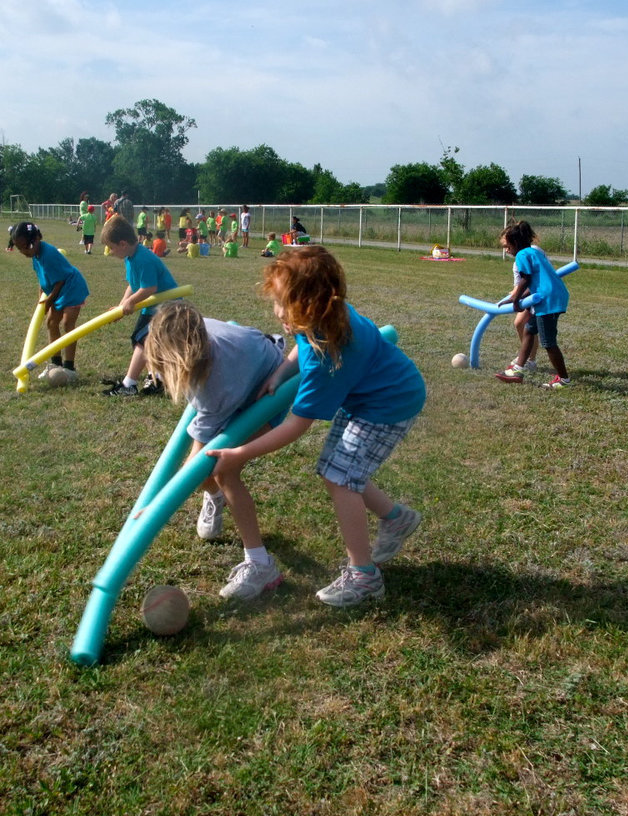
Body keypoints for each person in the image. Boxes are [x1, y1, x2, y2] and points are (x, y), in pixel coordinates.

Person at [207, 246, 426, 607]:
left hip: (389, 405)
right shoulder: (325, 317)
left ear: (310, 305)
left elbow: (295, 426)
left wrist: (239, 452)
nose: (276, 311)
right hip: (369, 399)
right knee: (335, 471)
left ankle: (364, 577)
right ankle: (396, 518)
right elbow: (298, 345)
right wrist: (280, 371)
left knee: (341, 477)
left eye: (282, 303)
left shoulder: (329, 353)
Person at [143, 301, 287, 599]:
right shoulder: (189, 325)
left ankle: (261, 565)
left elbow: (197, 462)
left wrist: (155, 506)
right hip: (241, 372)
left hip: (265, 394)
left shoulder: (217, 386)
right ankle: (215, 497)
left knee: (223, 469)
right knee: (210, 476)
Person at [99, 215, 180, 397]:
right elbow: (132, 285)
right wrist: (121, 306)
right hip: (151, 307)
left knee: (142, 342)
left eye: (111, 247)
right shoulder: (130, 258)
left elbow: (150, 287)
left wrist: (131, 302)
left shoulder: (143, 258)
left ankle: (129, 384)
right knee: (143, 341)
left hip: (166, 308)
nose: (110, 251)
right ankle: (156, 378)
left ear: (123, 244)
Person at [494, 221, 571, 389]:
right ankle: (517, 371)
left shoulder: (522, 255)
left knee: (548, 342)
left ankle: (564, 380)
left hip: (547, 300)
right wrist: (518, 298)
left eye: (507, 246)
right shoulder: (534, 252)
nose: (507, 250)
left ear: (515, 243)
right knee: (529, 330)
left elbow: (526, 279)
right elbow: (537, 281)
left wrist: (515, 301)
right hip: (551, 295)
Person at [10, 221, 89, 380]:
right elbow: (42, 279)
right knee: (51, 323)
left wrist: (49, 301)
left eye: (26, 247)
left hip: (71, 288)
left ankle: (69, 368)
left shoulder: (49, 254)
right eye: (19, 249)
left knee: (68, 324)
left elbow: (60, 281)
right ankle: (55, 363)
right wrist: (41, 299)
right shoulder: (35, 254)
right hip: (56, 290)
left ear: (36, 239)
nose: (24, 251)